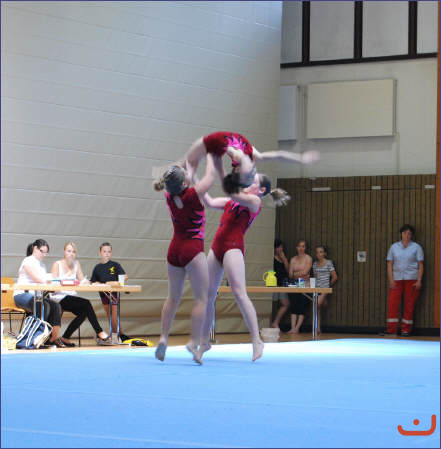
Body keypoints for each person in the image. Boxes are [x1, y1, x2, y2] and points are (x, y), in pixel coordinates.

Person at [199, 172, 291, 362]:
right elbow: (209, 201)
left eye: (252, 181)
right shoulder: (233, 200)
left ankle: (256, 340)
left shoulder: (255, 202)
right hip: (216, 247)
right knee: (207, 297)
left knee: (240, 294)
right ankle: (204, 341)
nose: (248, 183)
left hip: (233, 248)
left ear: (261, 190)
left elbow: (233, 192)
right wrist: (194, 179)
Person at [152, 153, 216, 364]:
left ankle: (163, 338)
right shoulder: (193, 195)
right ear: (184, 182)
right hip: (192, 248)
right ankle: (194, 342)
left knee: (173, 298)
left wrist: (188, 160)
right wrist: (212, 156)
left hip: (174, 249)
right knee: (202, 299)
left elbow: (174, 174)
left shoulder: (169, 195)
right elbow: (210, 177)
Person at [154, 131, 319, 195]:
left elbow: (234, 153)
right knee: (183, 166)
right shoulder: (254, 156)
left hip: (210, 143)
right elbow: (278, 155)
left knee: (185, 169)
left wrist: (239, 158)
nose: (253, 172)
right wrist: (301, 159)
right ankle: (166, 180)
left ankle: (167, 184)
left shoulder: (240, 157)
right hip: (214, 143)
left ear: (239, 170)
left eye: (249, 176)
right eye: (253, 175)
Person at [51, 242, 111, 346]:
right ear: (64, 252)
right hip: (59, 297)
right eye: (69, 251)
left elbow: (82, 280)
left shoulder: (76, 263)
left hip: (72, 297)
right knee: (86, 303)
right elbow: (53, 284)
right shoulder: (57, 264)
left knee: (83, 312)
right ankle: (99, 331)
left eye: (73, 252)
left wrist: (92, 282)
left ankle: (65, 337)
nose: (71, 254)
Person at [13, 239, 66, 348]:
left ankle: (53, 338)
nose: (44, 254)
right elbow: (36, 279)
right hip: (21, 295)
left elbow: (43, 281)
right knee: (42, 305)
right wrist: (51, 281)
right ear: (35, 248)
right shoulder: (27, 261)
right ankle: (34, 339)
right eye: (42, 251)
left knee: (55, 305)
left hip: (36, 296)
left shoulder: (42, 265)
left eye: (46, 252)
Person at [382, 224, 424, 337]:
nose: (407, 235)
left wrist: (419, 280)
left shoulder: (417, 247)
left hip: (412, 278)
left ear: (412, 235)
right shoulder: (394, 247)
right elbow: (389, 264)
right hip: (397, 279)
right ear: (401, 234)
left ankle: (406, 330)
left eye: (409, 233)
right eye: (405, 233)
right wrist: (391, 280)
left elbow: (420, 265)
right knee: (392, 303)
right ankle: (391, 330)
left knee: (409, 304)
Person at [90, 242, 129, 342]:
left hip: (113, 293)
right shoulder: (97, 268)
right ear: (100, 253)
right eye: (104, 251)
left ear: (111, 253)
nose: (107, 253)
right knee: (109, 315)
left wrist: (116, 282)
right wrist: (97, 283)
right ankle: (120, 335)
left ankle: (116, 336)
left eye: (109, 251)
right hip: (103, 294)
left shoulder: (115, 265)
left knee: (114, 315)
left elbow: (125, 276)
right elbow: (93, 281)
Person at [288, 239, 313, 334]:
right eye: (299, 246)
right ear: (296, 247)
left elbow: (305, 272)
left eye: (303, 246)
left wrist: (296, 274)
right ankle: (292, 327)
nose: (301, 248)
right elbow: (290, 274)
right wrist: (299, 274)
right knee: (294, 306)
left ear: (305, 248)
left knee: (302, 306)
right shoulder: (293, 259)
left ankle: (297, 328)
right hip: (295, 284)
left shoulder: (308, 258)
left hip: (305, 284)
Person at [312, 245, 338, 334]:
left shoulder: (329, 263)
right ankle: (318, 328)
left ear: (324, 253)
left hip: (324, 288)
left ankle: (316, 327)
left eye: (321, 252)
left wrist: (327, 287)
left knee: (316, 305)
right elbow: (315, 277)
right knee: (318, 308)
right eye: (317, 252)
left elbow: (334, 277)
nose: (319, 254)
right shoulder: (315, 264)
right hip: (317, 288)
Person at [270, 238, 290, 330]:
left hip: (282, 284)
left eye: (282, 247)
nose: (281, 249)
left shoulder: (283, 257)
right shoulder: (271, 257)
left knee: (285, 304)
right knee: (271, 305)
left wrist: (284, 259)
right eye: (279, 247)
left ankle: (275, 322)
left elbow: (288, 270)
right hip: (273, 284)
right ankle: (269, 323)